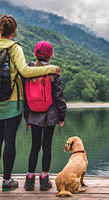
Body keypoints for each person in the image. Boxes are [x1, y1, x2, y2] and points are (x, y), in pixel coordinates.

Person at [0, 15, 61, 192]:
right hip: (12, 101)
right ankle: (7, 181)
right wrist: (51, 69)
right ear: (14, 30)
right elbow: (26, 72)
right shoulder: (14, 47)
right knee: (9, 138)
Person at [23, 41, 67, 191]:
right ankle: (44, 180)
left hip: (33, 114)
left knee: (34, 146)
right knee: (46, 146)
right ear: (49, 57)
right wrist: (62, 116)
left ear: (35, 53)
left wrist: (26, 116)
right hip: (50, 115)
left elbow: (25, 96)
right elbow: (59, 96)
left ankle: (29, 181)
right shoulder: (53, 72)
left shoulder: (28, 71)